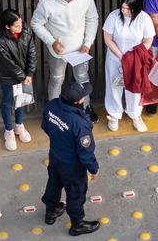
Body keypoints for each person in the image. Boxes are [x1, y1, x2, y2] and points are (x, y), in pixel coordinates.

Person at [31, 0, 99, 122]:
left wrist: (87, 44)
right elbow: (35, 23)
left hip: (80, 49)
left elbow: (92, 19)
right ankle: (53, 112)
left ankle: (86, 108)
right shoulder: (46, 3)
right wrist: (52, 41)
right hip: (58, 52)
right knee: (56, 80)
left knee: (82, 78)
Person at [40, 82, 100, 236]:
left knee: (54, 183)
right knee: (75, 193)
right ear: (78, 101)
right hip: (72, 166)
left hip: (55, 155)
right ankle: (77, 225)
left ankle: (51, 211)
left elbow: (45, 126)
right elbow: (86, 152)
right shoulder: (80, 123)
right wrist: (93, 169)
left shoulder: (52, 105)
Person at [103, 0, 155, 133]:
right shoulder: (113, 16)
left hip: (135, 60)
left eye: (128, 8)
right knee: (114, 86)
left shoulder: (144, 18)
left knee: (134, 87)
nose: (124, 11)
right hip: (115, 58)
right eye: (123, 7)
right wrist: (122, 56)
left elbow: (148, 40)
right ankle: (114, 115)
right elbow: (108, 39)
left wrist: (134, 56)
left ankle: (135, 114)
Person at [0, 9, 36, 151]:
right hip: (8, 76)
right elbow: (7, 63)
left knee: (21, 101)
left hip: (24, 75)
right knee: (8, 102)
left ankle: (19, 125)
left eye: (21, 23)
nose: (21, 27)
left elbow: (32, 51)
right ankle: (9, 131)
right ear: (7, 26)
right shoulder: (0, 41)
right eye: (16, 26)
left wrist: (29, 73)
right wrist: (23, 77)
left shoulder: (26, 30)